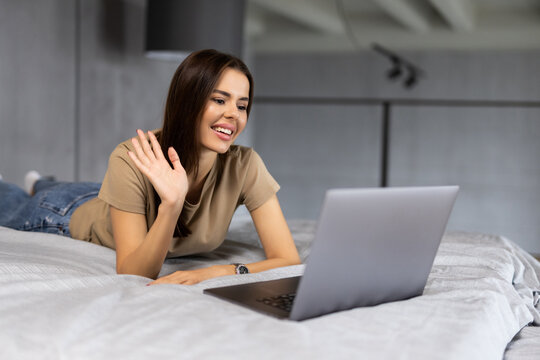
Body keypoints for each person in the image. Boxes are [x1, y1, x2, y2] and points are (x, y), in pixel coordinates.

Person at [0, 49, 301, 285]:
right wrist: (171, 204)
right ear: (188, 103)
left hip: (108, 198)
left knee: (72, 188)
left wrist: (219, 272)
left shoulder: (245, 165)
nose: (233, 114)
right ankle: (34, 187)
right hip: (65, 214)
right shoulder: (130, 157)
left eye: (241, 105)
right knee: (12, 199)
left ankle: (41, 181)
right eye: (219, 100)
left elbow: (286, 257)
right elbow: (133, 272)